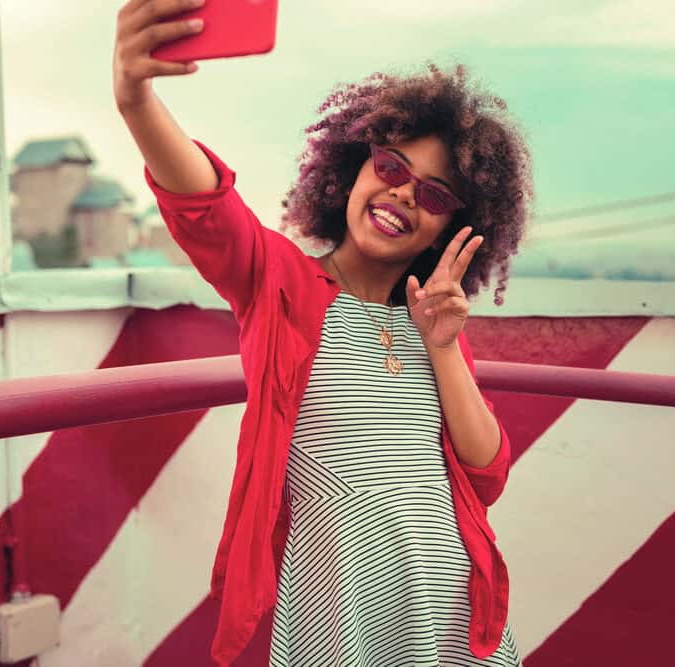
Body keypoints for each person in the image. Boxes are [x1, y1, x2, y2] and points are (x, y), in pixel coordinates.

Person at [113, 1, 533, 664]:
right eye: (392, 168)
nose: (402, 195)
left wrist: (444, 345)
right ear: (354, 168)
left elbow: (486, 473)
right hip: (336, 601)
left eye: (435, 195)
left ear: (454, 225)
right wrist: (136, 99)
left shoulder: (433, 316)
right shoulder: (280, 282)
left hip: (447, 602)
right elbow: (206, 209)